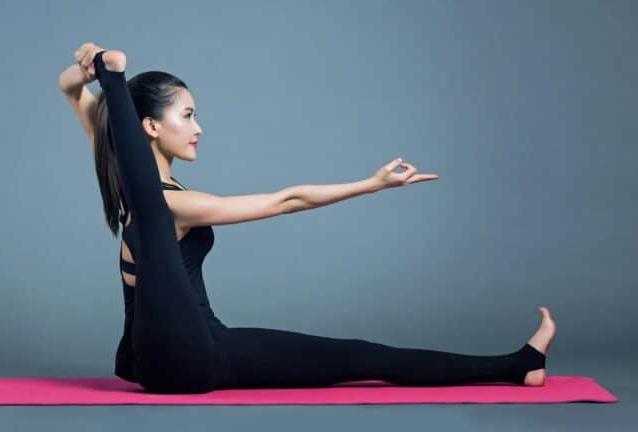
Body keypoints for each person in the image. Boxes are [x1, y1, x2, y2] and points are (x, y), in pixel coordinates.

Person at [57, 42, 556, 394]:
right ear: (149, 125)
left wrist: (89, 62)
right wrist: (371, 184)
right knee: (365, 357)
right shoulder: (168, 204)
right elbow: (285, 200)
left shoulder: (124, 176)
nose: (198, 127)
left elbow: (70, 89)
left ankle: (519, 365)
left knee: (359, 355)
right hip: (190, 360)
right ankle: (520, 365)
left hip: (163, 358)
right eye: (187, 116)